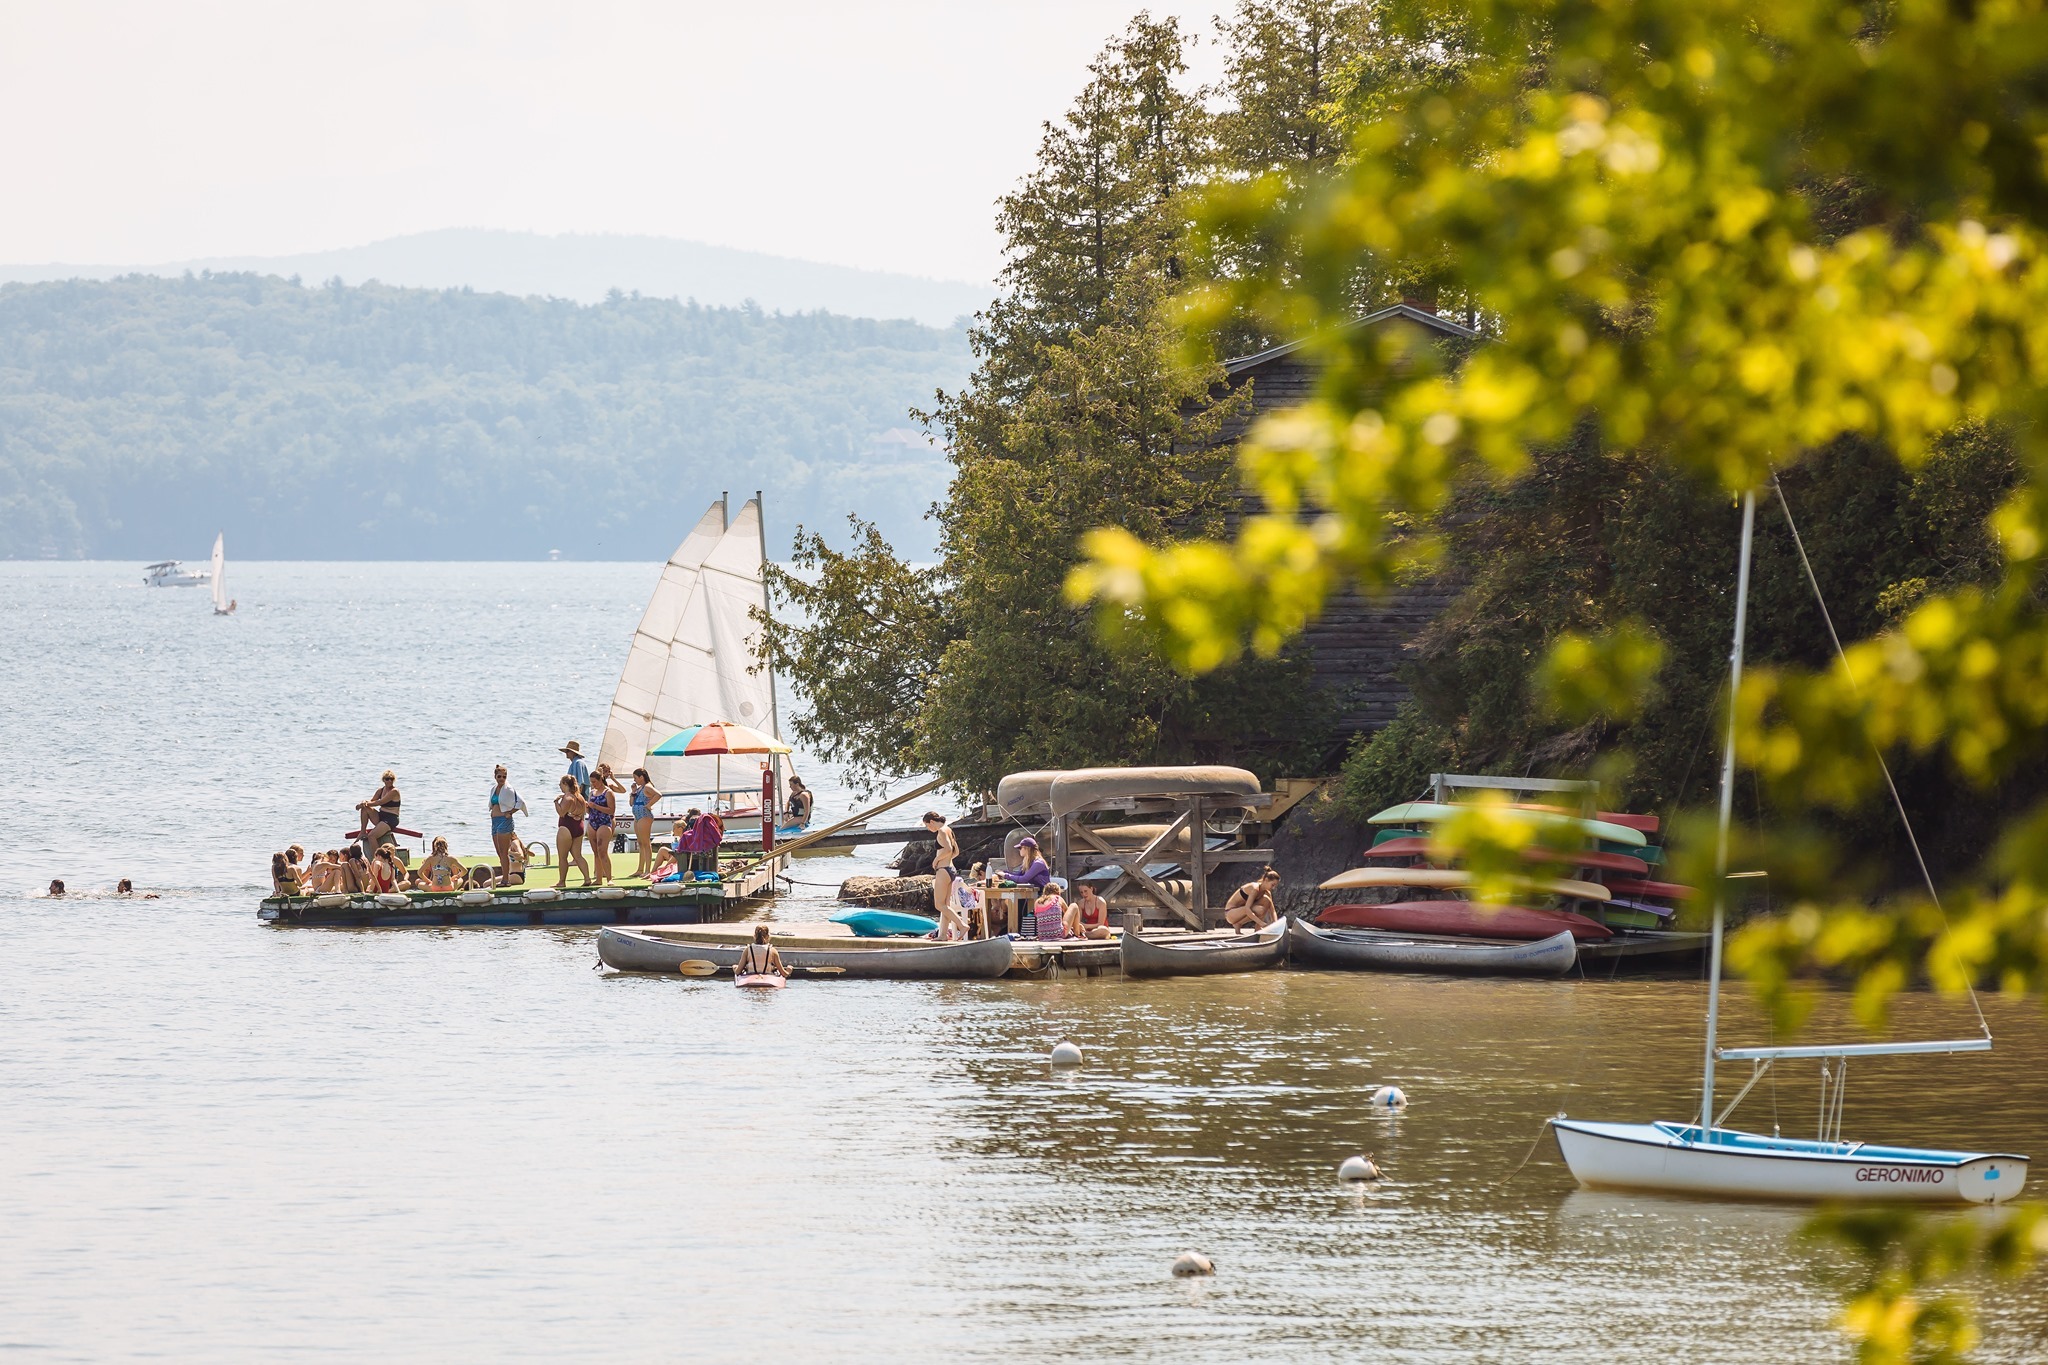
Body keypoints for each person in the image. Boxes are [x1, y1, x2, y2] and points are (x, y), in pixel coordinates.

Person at [584, 764, 626, 885]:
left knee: (602, 851)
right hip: (592, 821)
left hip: (604, 822)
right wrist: (587, 807)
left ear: (600, 780)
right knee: (596, 852)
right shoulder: (592, 793)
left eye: (594, 782)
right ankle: (598, 878)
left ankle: (609, 878)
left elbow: (611, 810)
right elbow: (589, 810)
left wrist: (596, 806)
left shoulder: (608, 792)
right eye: (591, 782)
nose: (593, 784)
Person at [488, 766, 528, 885]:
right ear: (495, 776)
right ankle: (506, 876)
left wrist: (510, 812)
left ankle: (506, 879)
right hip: (494, 821)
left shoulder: (509, 789)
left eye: (504, 777)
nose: (501, 779)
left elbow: (521, 802)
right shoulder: (494, 789)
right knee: (499, 852)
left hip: (504, 821)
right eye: (499, 776)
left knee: (504, 851)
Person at [553, 775, 591, 888]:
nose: (559, 786)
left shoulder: (568, 797)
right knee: (578, 855)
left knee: (562, 857)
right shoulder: (580, 797)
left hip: (566, 826)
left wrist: (556, 801)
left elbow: (561, 813)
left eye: (560, 784)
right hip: (579, 826)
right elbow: (583, 813)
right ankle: (587, 878)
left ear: (565, 784)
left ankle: (562, 881)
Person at [629, 768, 664, 879]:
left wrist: (649, 805)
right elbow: (631, 803)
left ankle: (648, 870)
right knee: (640, 843)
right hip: (637, 816)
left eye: (636, 778)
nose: (635, 780)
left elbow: (658, 794)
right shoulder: (640, 788)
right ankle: (640, 869)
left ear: (641, 777)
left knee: (646, 843)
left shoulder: (648, 786)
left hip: (644, 815)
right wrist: (633, 792)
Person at [354, 770, 402, 853]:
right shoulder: (380, 790)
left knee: (371, 836)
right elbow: (372, 801)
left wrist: (363, 804)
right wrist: (363, 803)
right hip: (381, 816)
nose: (390, 781)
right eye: (387, 779)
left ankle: (378, 858)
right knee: (365, 809)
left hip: (391, 818)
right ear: (383, 780)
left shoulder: (394, 791)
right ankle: (362, 831)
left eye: (391, 779)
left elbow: (379, 802)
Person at [925, 811, 962, 918]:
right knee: (946, 905)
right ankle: (943, 934)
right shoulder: (948, 829)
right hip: (951, 869)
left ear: (931, 822)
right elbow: (956, 852)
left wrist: (936, 860)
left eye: (927, 825)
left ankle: (962, 924)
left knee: (939, 905)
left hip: (943, 870)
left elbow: (948, 849)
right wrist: (946, 859)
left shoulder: (941, 831)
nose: (928, 829)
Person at [1224, 867, 1283, 932]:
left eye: (1275, 886)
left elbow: (1272, 911)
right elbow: (1247, 909)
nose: (1273, 888)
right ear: (1266, 880)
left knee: (1267, 900)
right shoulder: (1255, 888)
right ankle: (1239, 924)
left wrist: (1277, 925)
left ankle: (1256, 928)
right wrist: (1261, 923)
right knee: (1259, 909)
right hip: (1230, 913)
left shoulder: (1267, 892)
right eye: (1272, 885)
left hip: (1242, 911)